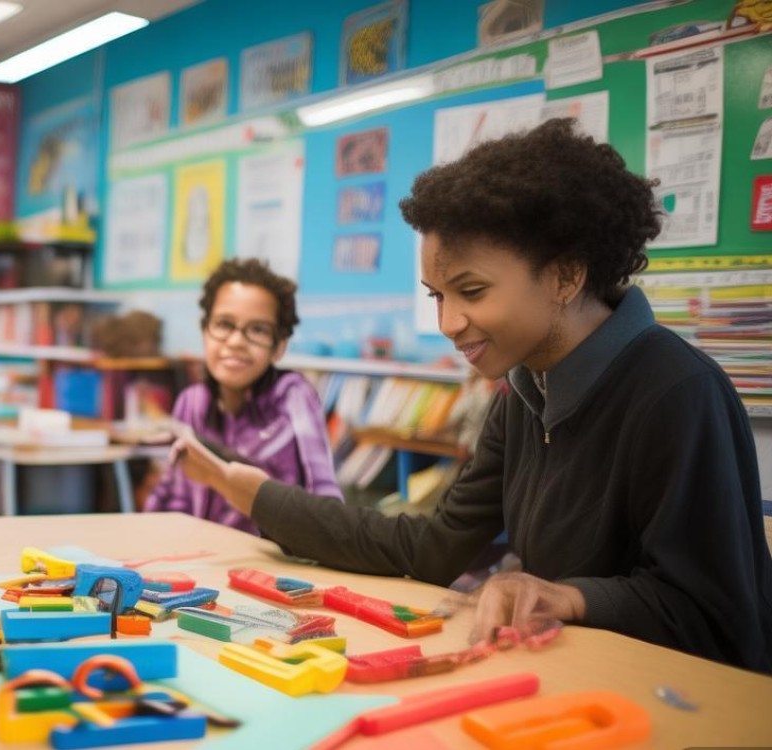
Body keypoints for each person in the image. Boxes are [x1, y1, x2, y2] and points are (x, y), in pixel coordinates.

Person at [170, 118, 772, 673]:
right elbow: (434, 548)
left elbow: (714, 621)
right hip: (561, 679)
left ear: (566, 275)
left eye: (472, 291)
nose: (449, 322)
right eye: (437, 295)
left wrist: (570, 597)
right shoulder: (524, 390)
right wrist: (258, 495)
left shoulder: (677, 393)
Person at [144, 257, 341, 534]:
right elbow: (174, 494)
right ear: (205, 331)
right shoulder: (191, 402)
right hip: (201, 552)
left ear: (279, 347)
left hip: (270, 556)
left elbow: (326, 499)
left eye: (258, 329)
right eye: (224, 324)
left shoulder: (294, 396)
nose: (236, 342)